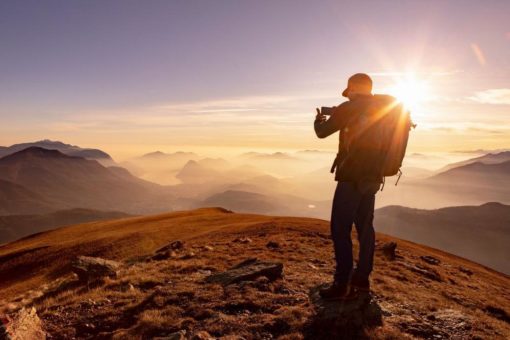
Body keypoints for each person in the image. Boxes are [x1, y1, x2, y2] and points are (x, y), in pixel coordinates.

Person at [314, 73, 384, 300]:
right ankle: (362, 281)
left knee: (340, 229)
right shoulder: (382, 109)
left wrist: (319, 120)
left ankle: (341, 283)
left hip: (351, 177)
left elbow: (322, 133)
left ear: (353, 88)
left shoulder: (348, 108)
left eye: (349, 89)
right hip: (373, 179)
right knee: (365, 229)